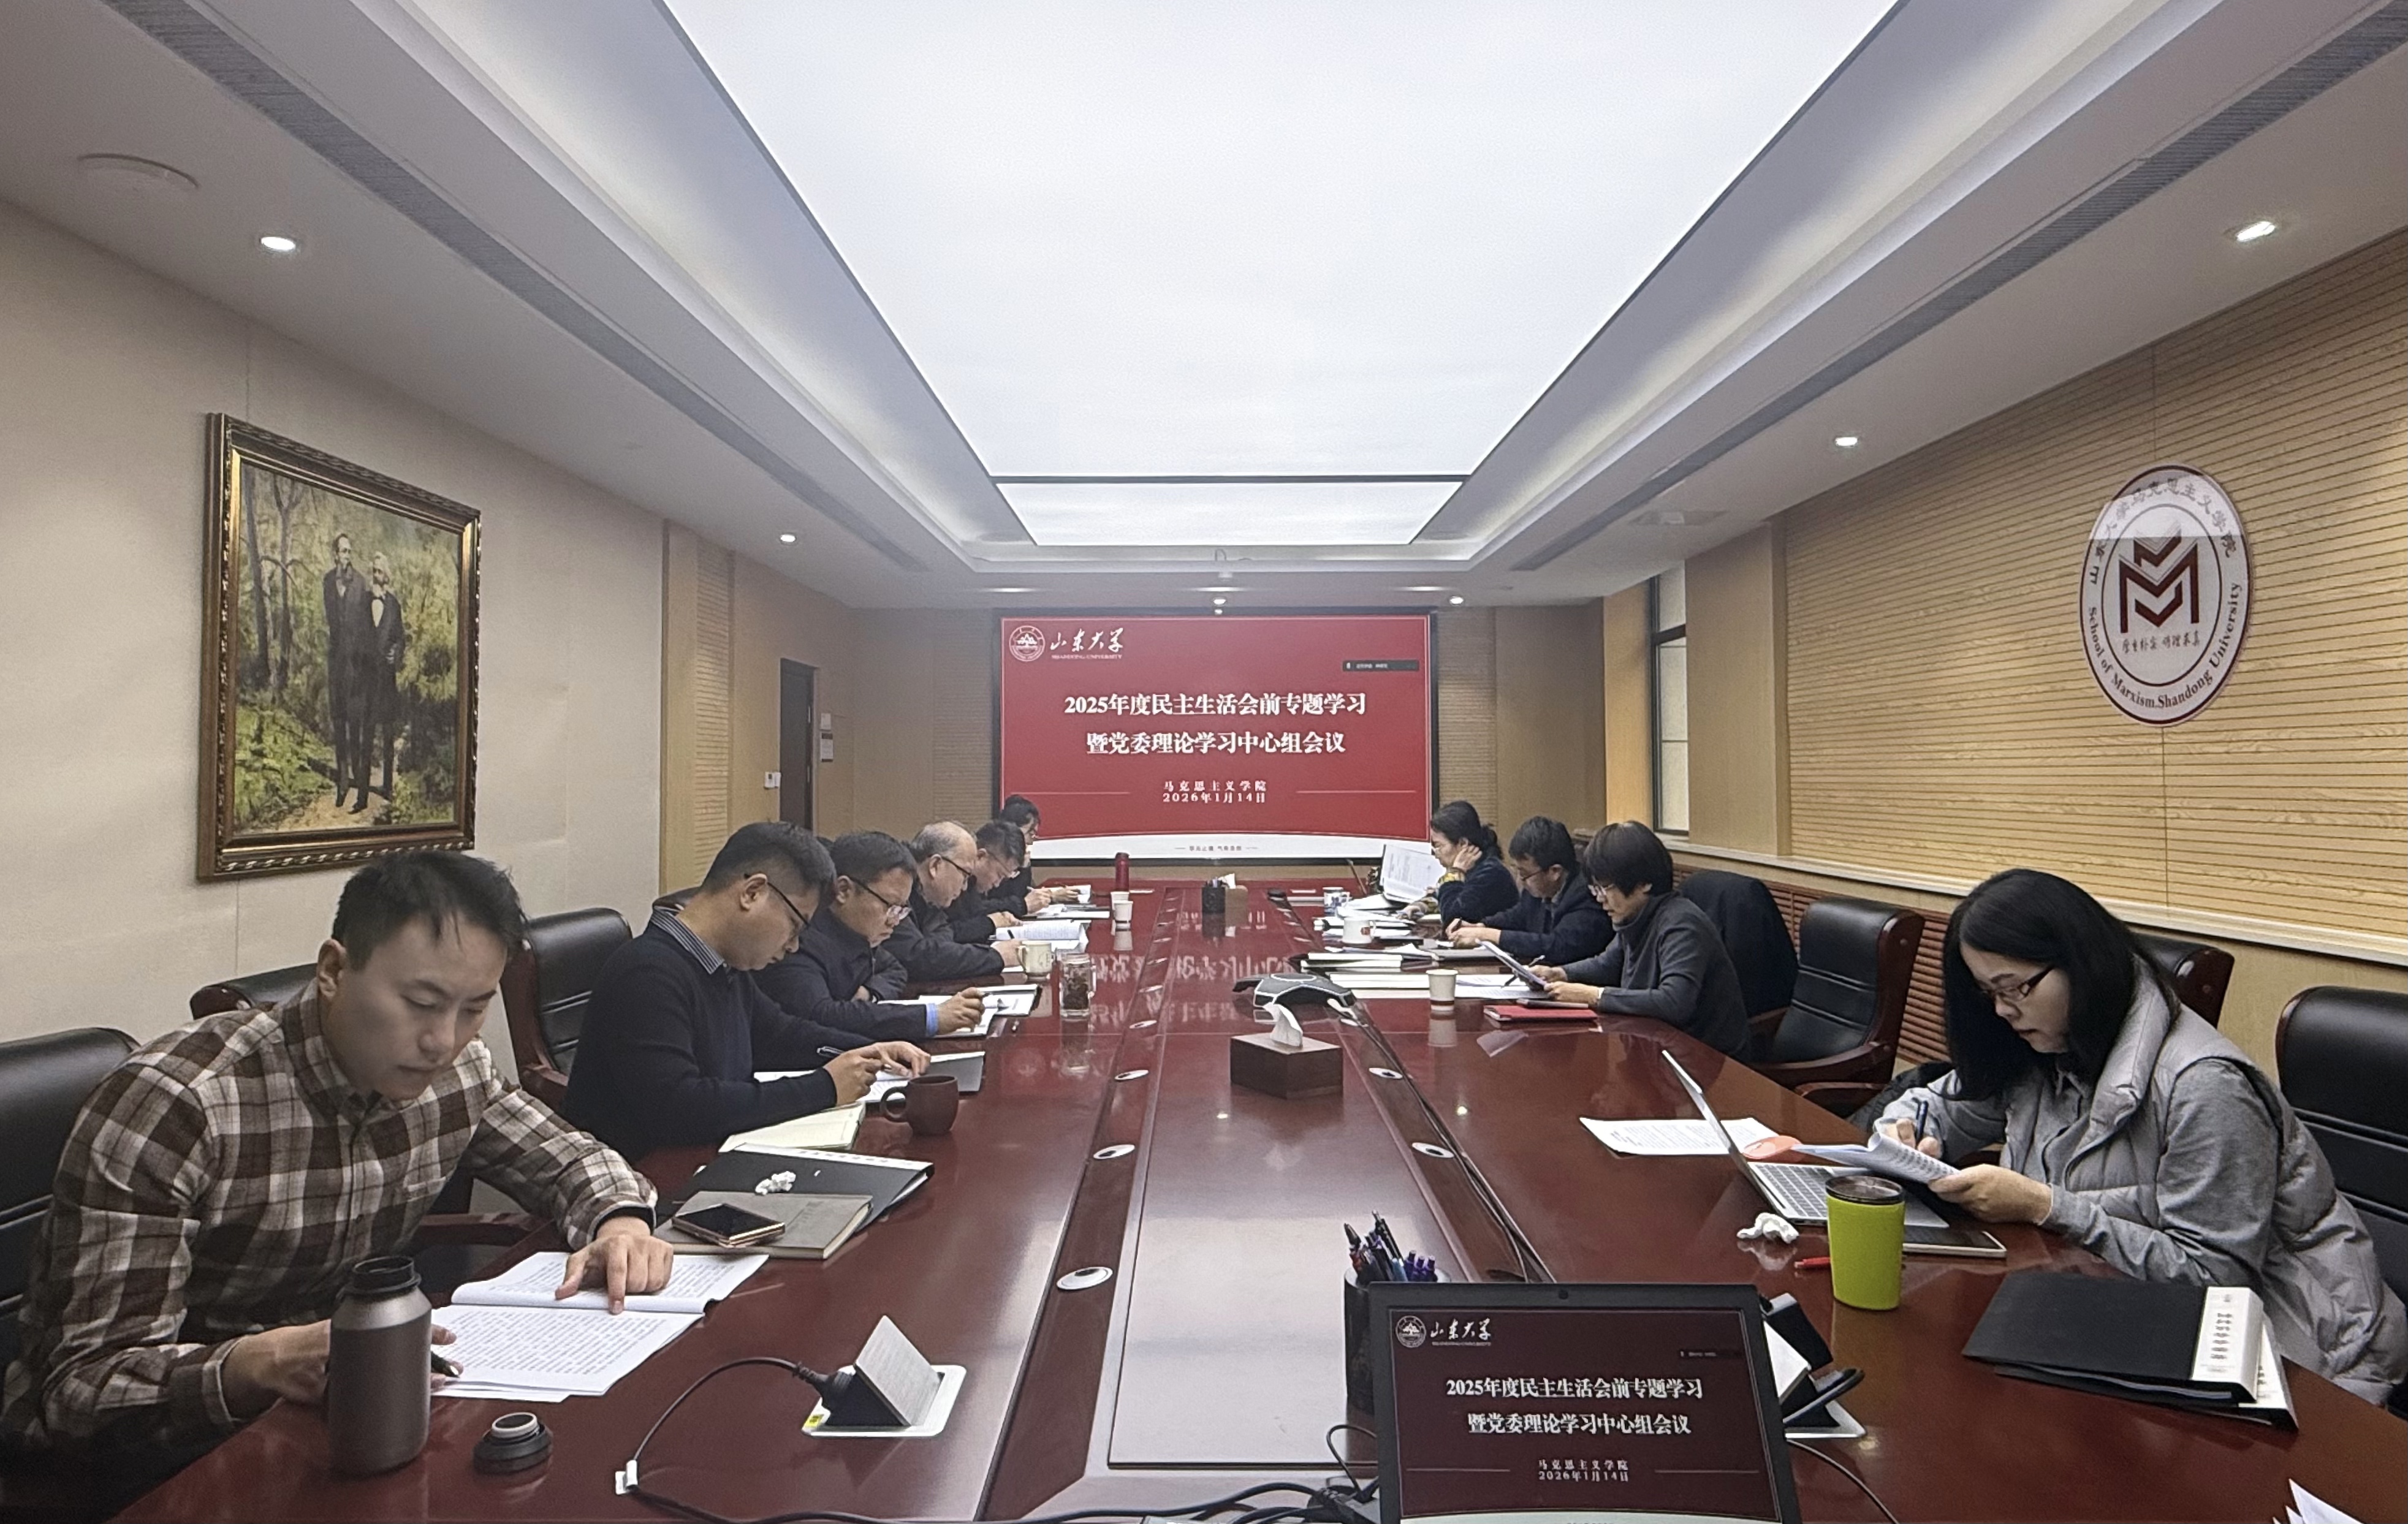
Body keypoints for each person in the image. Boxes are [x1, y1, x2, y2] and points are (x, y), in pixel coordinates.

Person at [1, 851, 671, 1467]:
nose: (442, 1041)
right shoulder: (181, 1105)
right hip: (162, 1455)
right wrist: (253, 1364)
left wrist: (619, 1223)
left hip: (350, 1408)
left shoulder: (456, 1073)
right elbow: (82, 1389)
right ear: (332, 971)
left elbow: (571, 1159)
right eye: (420, 1003)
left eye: (473, 1009)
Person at [1872, 868, 2408, 1405]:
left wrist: (2045, 1205)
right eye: (1988, 992)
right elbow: (1942, 1102)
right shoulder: (2045, 1047)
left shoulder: (2204, 1085)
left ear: (2078, 964)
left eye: (2015, 987)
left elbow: (2214, 1282)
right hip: (2108, 1310)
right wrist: (1907, 1130)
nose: (2002, 1009)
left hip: (2301, 1357)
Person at [564, 822, 927, 1161]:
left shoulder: (723, 965)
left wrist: (868, 1051)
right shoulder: (648, 972)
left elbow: (780, 1033)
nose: (794, 945)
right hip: (650, 1178)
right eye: (794, 925)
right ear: (753, 893)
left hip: (715, 1155)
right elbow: (678, 1107)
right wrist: (824, 1087)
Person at [1538, 822, 1750, 1056]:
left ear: (1644, 883)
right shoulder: (1636, 916)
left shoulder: (1681, 924)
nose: (1600, 899)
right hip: (1659, 1045)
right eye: (1595, 889)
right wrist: (1560, 973)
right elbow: (1608, 963)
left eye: (1606, 888)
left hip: (1707, 1059)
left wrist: (1594, 996)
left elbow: (1674, 1002)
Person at [756, 832, 987, 1043]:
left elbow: (895, 969)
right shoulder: (800, 940)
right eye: (889, 906)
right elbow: (822, 1015)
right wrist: (931, 1017)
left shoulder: (854, 934)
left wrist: (871, 993)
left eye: (901, 910)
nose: (895, 920)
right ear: (844, 890)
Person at [1445, 816, 1612, 966]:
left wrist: (1489, 935)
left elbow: (1558, 946)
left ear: (1555, 872)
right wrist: (1481, 926)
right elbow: (1518, 916)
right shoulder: (1539, 888)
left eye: (1525, 874)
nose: (1520, 881)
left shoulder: (1586, 895)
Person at [882, 822, 1008, 984]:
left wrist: (935, 952)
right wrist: (996, 956)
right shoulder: (893, 887)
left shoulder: (930, 898)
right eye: (965, 875)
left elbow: (942, 938)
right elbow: (917, 958)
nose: (965, 887)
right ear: (935, 865)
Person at [320, 532, 374, 814]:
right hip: (336, 666)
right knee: (339, 724)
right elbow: (332, 620)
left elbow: (366, 628)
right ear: (335, 555)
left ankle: (360, 783)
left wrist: (363, 664)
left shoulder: (361, 584)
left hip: (356, 668)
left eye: (349, 551)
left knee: (356, 729)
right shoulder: (328, 581)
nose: (347, 556)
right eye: (343, 551)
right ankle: (342, 783)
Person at [1425, 800, 1514, 925]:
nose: (1436, 853)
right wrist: (1421, 906)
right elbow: (1445, 893)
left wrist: (1455, 872)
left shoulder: (1490, 874)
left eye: (1438, 846)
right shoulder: (1474, 869)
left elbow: (1452, 919)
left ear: (1463, 843)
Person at [365, 552, 406, 806]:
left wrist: (396, 652)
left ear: (386, 575)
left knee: (388, 732)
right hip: (368, 678)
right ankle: (363, 783)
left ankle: (388, 787)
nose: (376, 575)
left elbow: (401, 638)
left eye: (380, 571)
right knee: (367, 730)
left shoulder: (394, 606)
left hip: (387, 679)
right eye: (374, 571)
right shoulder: (364, 602)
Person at [989, 796, 1076, 916]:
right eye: (1030, 834)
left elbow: (1025, 894)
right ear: (1012, 829)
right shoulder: (994, 857)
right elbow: (1001, 901)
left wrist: (1024, 867)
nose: (1031, 841)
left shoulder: (1019, 858)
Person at [949, 819, 1027, 946]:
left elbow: (975, 913)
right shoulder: (950, 884)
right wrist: (990, 923)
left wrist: (1000, 917)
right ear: (980, 856)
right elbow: (945, 935)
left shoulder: (974, 886)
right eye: (999, 875)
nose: (997, 884)